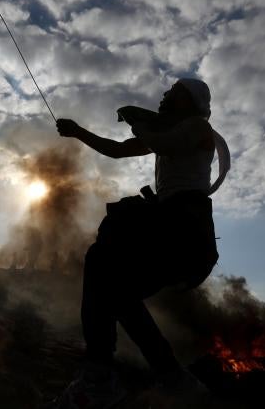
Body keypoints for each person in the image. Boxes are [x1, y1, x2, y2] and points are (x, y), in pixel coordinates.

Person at [48, 79, 230, 408]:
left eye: (171, 94)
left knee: (102, 262)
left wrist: (138, 120)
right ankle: (169, 377)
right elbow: (118, 150)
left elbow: (162, 142)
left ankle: (101, 378)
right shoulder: (170, 130)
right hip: (172, 232)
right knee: (116, 290)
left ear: (188, 102)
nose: (162, 97)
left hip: (184, 233)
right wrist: (79, 132)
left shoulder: (197, 128)